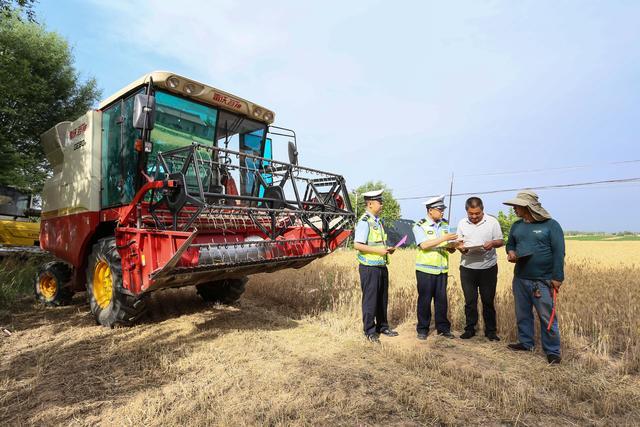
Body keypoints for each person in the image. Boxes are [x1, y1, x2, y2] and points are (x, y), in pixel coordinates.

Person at [503, 190, 565, 364]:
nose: (514, 208)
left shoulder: (551, 225)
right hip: (520, 278)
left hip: (543, 280)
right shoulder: (517, 225)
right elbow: (510, 243)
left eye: (517, 205)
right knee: (522, 313)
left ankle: (552, 351)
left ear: (527, 206)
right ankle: (526, 342)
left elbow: (559, 253)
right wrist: (511, 252)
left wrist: (557, 277)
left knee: (547, 316)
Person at [456, 197, 504, 341]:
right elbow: (459, 243)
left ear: (482, 210)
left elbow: (500, 241)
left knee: (488, 301)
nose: (474, 217)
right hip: (467, 268)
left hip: (488, 268)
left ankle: (491, 331)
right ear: (467, 211)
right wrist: (461, 249)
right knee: (470, 301)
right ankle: (470, 329)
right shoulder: (462, 223)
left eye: (477, 213)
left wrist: (493, 243)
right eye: (471, 214)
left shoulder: (492, 222)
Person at [353, 189, 398, 342]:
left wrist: (386, 250)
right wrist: (378, 251)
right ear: (370, 203)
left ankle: (383, 326)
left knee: (382, 298)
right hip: (369, 267)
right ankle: (369, 331)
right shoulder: (364, 221)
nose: (382, 204)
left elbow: (377, 243)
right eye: (380, 201)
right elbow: (357, 245)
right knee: (370, 300)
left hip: (381, 264)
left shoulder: (378, 221)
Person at [412, 195, 458, 340]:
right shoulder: (420, 225)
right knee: (425, 300)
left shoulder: (445, 224)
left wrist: (452, 247)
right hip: (425, 270)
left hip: (442, 269)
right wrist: (444, 239)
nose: (443, 212)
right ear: (430, 210)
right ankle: (423, 329)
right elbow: (424, 245)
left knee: (441, 300)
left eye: (443, 209)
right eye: (440, 209)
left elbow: (447, 246)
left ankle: (443, 328)